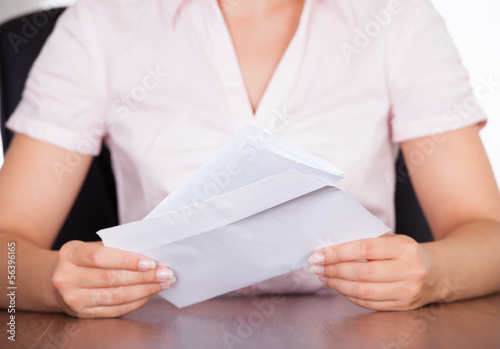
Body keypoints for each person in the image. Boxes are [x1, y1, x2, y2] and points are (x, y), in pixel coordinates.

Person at [1, 0, 499, 319]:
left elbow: (489, 237)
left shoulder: (397, 18)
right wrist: (48, 281)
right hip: (158, 331)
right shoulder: (102, 24)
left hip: (359, 329)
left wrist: (432, 269)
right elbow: (6, 254)